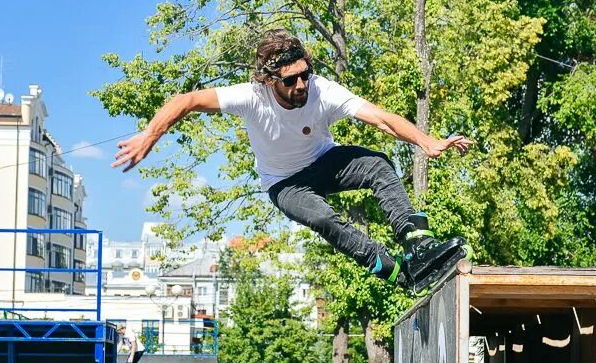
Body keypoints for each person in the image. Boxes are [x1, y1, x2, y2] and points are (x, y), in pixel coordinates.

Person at [112, 29, 474, 290]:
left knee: (379, 164)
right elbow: (185, 101)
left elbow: (379, 117)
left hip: (325, 161)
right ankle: (394, 271)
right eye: (290, 80)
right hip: (284, 184)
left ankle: (418, 244)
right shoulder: (250, 97)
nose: (300, 86)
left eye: (304, 75)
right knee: (322, 217)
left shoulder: (322, 91)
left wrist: (425, 142)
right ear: (270, 81)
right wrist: (150, 136)